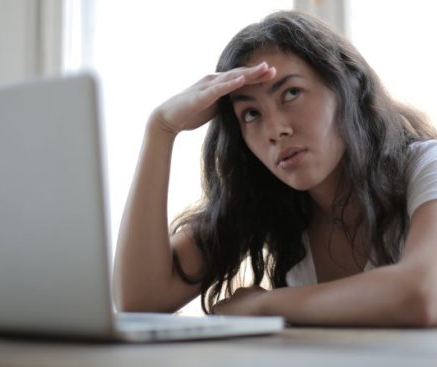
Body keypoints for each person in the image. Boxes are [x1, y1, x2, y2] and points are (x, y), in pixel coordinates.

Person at [114, 10, 437, 326]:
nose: (275, 130)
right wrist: (161, 130)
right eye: (251, 114)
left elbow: (423, 296)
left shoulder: (427, 166)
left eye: (291, 93)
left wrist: (262, 305)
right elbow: (141, 300)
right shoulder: (269, 201)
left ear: (348, 86)